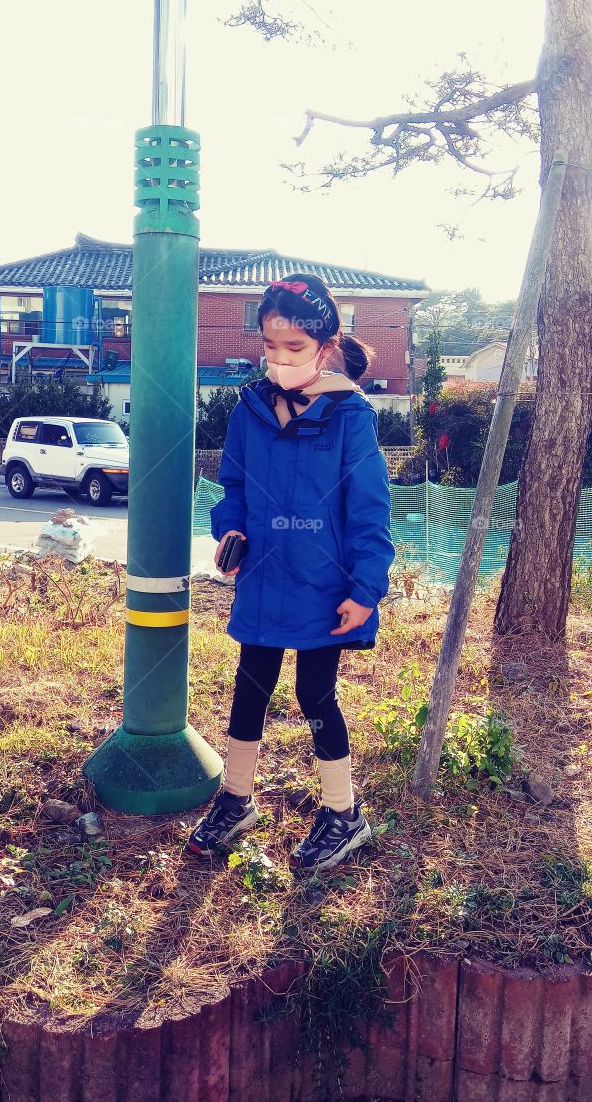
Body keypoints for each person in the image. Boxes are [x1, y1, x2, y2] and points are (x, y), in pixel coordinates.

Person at [185, 273, 395, 873]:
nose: (279, 359)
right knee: (249, 688)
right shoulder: (249, 410)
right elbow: (232, 488)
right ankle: (236, 800)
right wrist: (231, 531)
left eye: (294, 348)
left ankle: (343, 814)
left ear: (325, 348)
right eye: (270, 346)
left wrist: (366, 590)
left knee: (314, 693)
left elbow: (370, 511)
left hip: (325, 587)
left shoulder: (351, 417)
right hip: (262, 581)